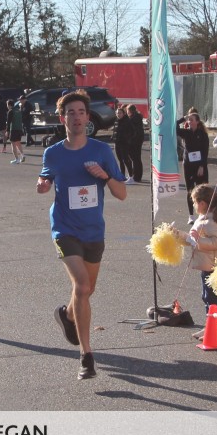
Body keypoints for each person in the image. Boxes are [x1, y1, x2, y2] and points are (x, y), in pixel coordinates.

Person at [37, 89, 127, 380]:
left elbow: (122, 193)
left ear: (88, 117)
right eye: (70, 113)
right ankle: (86, 355)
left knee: (87, 290)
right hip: (65, 228)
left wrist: (105, 176)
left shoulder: (101, 151)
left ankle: (67, 315)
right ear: (62, 118)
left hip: (93, 230)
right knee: (82, 285)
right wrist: (42, 184)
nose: (76, 117)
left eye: (81, 112)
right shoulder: (53, 153)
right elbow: (45, 177)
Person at [181, 184, 217, 341]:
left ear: (202, 203)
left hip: (212, 264)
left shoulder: (210, 221)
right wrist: (180, 236)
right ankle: (210, 326)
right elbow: (194, 239)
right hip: (207, 263)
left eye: (194, 202)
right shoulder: (204, 219)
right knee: (207, 296)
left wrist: (198, 239)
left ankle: (214, 327)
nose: (194, 206)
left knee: (210, 298)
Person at [176, 108, 209, 223]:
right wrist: (183, 119)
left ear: (197, 122)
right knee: (190, 190)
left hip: (199, 165)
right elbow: (174, 127)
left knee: (202, 190)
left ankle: (203, 213)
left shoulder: (203, 134)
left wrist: (202, 166)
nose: (189, 121)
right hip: (188, 165)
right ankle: (191, 216)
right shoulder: (186, 132)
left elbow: (205, 151)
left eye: (191, 119)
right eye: (188, 120)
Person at [112, 106, 132, 182]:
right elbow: (115, 131)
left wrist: (126, 139)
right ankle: (122, 176)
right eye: (117, 113)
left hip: (124, 144)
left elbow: (132, 132)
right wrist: (113, 137)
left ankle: (131, 176)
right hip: (117, 143)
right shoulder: (116, 121)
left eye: (120, 113)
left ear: (123, 113)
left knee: (126, 160)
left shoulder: (127, 121)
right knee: (120, 160)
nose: (118, 114)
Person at [127, 104, 145, 183]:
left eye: (127, 110)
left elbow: (132, 131)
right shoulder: (137, 117)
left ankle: (136, 176)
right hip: (139, 139)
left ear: (130, 111)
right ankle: (138, 176)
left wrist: (129, 140)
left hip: (134, 141)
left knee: (135, 159)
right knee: (137, 158)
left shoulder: (132, 119)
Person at [6, 99, 26, 164]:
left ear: (9, 105)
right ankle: (22, 155)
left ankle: (16, 159)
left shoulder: (10, 111)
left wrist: (7, 131)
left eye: (7, 105)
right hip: (19, 129)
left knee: (13, 144)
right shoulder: (18, 111)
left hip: (13, 129)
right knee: (18, 142)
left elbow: (8, 122)